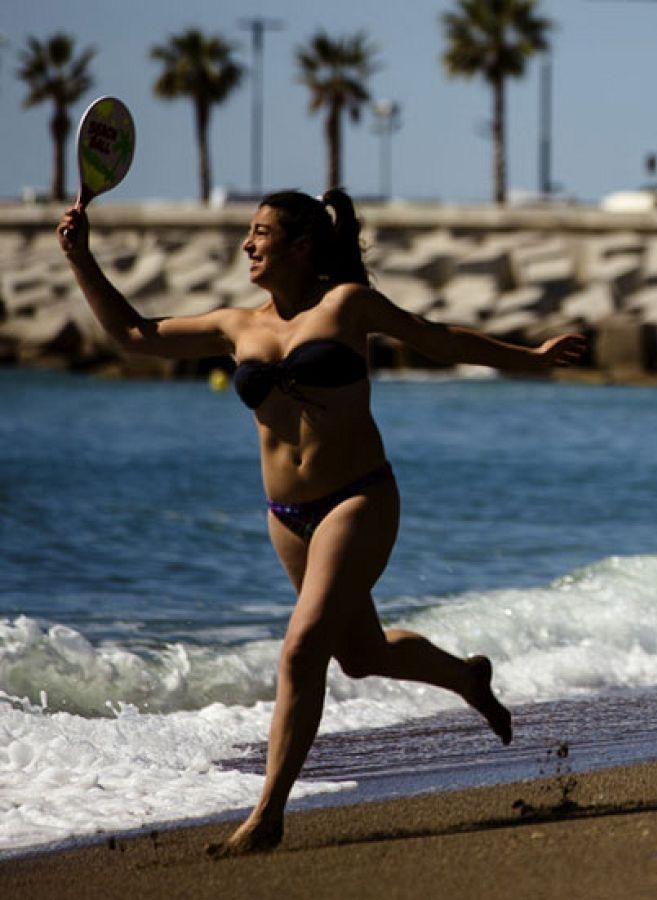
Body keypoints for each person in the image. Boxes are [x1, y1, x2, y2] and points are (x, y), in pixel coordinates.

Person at [56, 190, 587, 855]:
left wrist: (533, 358)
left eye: (261, 233)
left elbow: (439, 338)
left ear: (301, 246)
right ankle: (466, 678)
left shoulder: (347, 305)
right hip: (288, 517)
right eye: (248, 234)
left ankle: (266, 819)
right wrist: (82, 259)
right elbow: (134, 336)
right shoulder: (235, 327)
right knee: (360, 656)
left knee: (301, 649)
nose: (248, 245)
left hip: (358, 500)